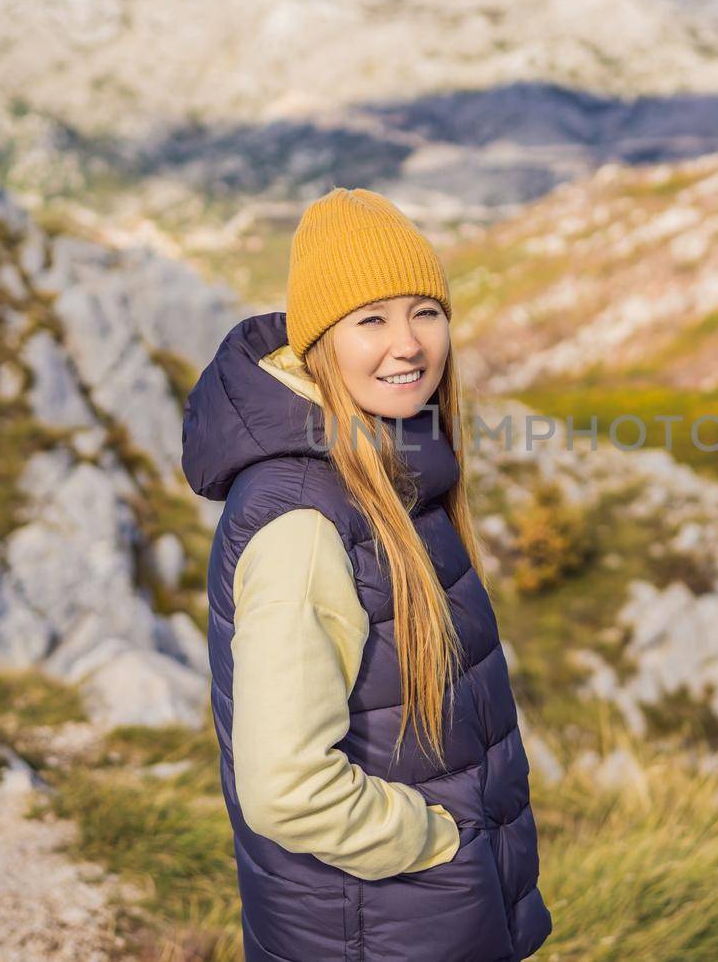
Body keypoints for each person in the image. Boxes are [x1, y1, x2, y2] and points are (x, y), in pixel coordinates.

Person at [181, 187, 553, 962]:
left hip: (417, 922)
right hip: (379, 926)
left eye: (426, 310)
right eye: (371, 319)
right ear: (320, 340)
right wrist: (434, 840)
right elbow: (287, 788)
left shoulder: (391, 469)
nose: (409, 343)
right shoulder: (305, 520)